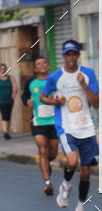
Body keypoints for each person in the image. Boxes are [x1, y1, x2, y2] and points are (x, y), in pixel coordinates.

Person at [40, 40, 99, 211]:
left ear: (78, 55)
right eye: (68, 54)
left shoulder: (88, 74)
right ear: (63, 56)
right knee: (72, 161)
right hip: (66, 126)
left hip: (87, 128)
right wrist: (55, 102)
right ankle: (65, 186)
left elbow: (96, 103)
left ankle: (80, 207)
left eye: (74, 53)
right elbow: (43, 96)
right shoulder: (55, 77)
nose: (71, 57)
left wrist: (84, 85)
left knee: (86, 172)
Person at [21, 57, 58, 195]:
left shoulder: (55, 80)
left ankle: (46, 163)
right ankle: (48, 183)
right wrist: (27, 102)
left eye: (44, 63)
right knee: (42, 149)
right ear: (35, 69)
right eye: (38, 64)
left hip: (54, 122)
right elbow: (24, 97)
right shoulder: (31, 82)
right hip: (38, 123)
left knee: (52, 154)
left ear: (48, 66)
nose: (41, 65)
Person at [0, 62, 17, 139]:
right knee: (4, 115)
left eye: (4, 69)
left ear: (6, 69)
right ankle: (5, 132)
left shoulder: (11, 77)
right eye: (1, 69)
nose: (3, 70)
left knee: (8, 116)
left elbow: (14, 86)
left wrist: (13, 93)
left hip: (10, 100)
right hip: (1, 100)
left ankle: (7, 131)